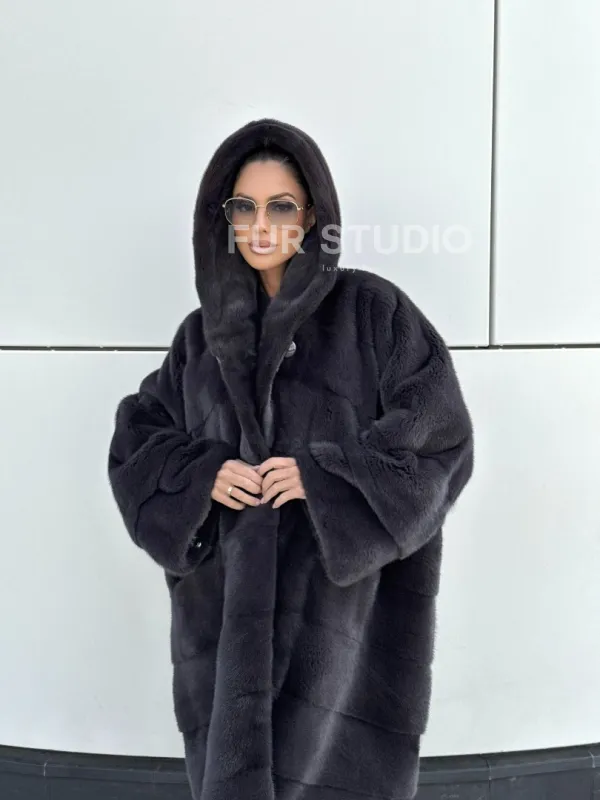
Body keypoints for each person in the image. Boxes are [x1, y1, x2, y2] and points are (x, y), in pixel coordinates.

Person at [107, 118, 474, 800]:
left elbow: (440, 437)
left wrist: (325, 478)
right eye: (243, 207)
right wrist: (200, 476)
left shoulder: (374, 313)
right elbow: (137, 441)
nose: (260, 226)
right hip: (222, 636)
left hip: (343, 634)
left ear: (311, 216)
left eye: (280, 206)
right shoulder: (199, 339)